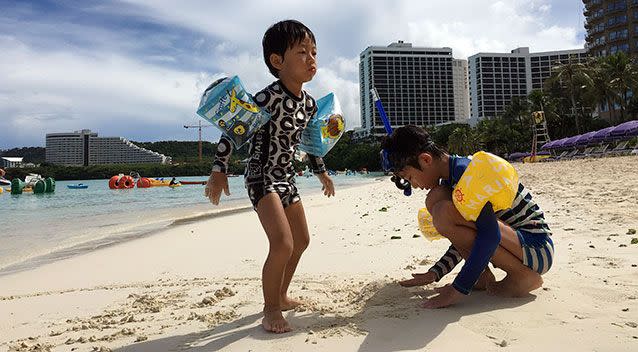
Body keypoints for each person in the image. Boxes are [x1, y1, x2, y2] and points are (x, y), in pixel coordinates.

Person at [205, 20, 335, 333]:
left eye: (314, 52)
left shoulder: (309, 104)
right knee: (282, 243)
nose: (311, 58)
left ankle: (281, 294)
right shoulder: (266, 98)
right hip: (260, 176)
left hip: (286, 177)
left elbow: (311, 143)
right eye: (302, 52)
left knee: (301, 241)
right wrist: (219, 170)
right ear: (278, 61)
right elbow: (234, 130)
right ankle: (271, 309)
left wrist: (322, 173)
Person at [383, 125, 553, 309]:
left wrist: (458, 288)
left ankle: (522, 277)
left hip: (537, 248)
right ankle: (481, 278)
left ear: (425, 160)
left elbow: (489, 236)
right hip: (521, 245)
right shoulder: (453, 178)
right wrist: (436, 273)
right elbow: (467, 235)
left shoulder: (467, 176)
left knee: (441, 209)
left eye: (410, 178)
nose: (414, 186)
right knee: (437, 201)